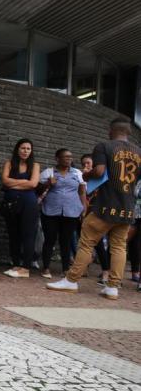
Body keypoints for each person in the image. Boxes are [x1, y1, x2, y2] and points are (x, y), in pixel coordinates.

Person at [48, 117, 141, 300]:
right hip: (127, 207)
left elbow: (98, 171)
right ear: (128, 132)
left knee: (86, 242)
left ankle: (71, 280)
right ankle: (113, 287)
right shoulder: (139, 152)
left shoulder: (104, 146)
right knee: (119, 246)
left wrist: (86, 174)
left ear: (110, 130)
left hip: (106, 205)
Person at [38, 149, 86, 279]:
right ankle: (46, 267)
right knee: (49, 239)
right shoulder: (48, 172)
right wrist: (48, 183)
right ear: (57, 158)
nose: (68, 159)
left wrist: (84, 208)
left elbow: (82, 192)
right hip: (50, 211)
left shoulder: (77, 173)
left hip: (71, 212)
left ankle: (65, 269)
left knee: (66, 240)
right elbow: (37, 190)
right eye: (65, 157)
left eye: (70, 157)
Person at [1, 138, 40, 278]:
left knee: (28, 234)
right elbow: (4, 181)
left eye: (28, 149)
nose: (25, 151)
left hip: (29, 204)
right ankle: (16, 264)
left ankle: (25, 268)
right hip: (11, 204)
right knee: (13, 234)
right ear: (17, 149)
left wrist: (14, 184)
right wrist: (24, 182)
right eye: (23, 148)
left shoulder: (35, 165)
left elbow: (34, 184)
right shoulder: (9, 163)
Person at [80, 153, 110, 286]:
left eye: (88, 163)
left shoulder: (101, 177)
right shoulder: (82, 177)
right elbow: (81, 194)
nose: (86, 166)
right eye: (84, 163)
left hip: (99, 212)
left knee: (98, 243)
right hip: (85, 211)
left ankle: (106, 272)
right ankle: (83, 268)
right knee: (83, 241)